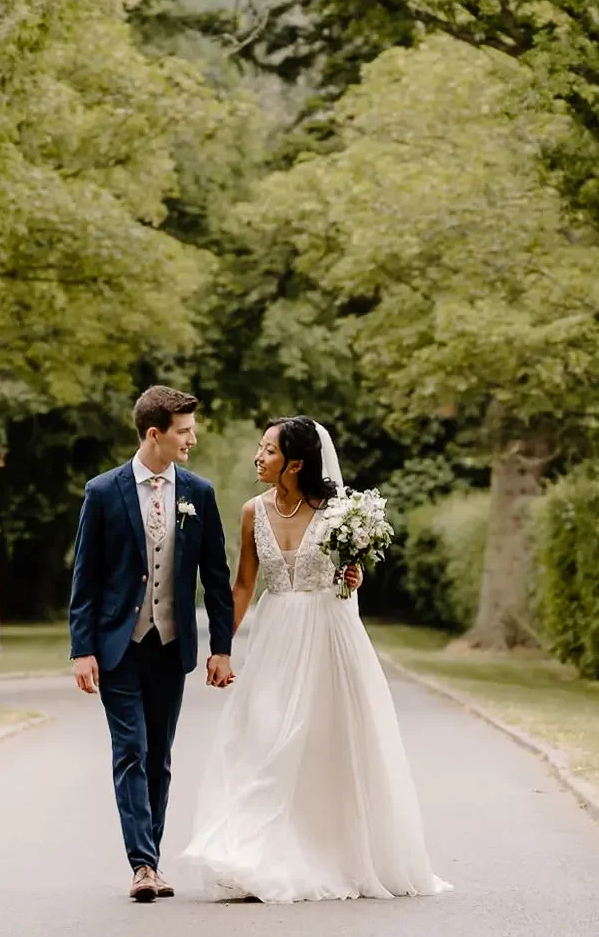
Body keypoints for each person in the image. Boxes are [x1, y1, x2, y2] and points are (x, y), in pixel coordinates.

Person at [170, 416, 448, 903]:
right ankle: (254, 853)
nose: (258, 457)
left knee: (324, 744)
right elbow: (243, 586)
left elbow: (348, 577)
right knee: (265, 737)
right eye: (259, 448)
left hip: (329, 636)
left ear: (295, 462)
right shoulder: (253, 511)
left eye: (269, 450)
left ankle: (328, 852)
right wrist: (221, 648)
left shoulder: (341, 512)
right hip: (276, 639)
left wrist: (352, 577)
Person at [67, 385, 236, 903]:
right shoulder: (102, 492)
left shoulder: (198, 493)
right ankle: (142, 865)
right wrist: (81, 648)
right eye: (184, 431)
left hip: (171, 644)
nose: (193, 439)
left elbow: (216, 573)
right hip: (119, 645)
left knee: (159, 755)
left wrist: (221, 646)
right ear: (154, 434)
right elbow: (86, 575)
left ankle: (152, 860)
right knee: (132, 750)